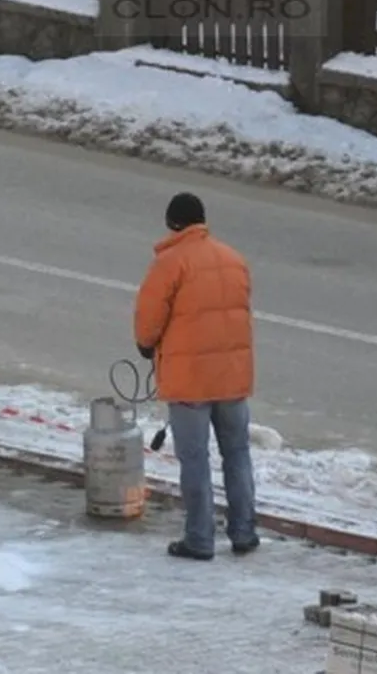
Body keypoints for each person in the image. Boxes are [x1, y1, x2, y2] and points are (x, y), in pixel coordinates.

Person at [134, 192, 257, 561]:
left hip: (190, 380)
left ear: (172, 223)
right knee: (237, 454)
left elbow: (148, 318)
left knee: (195, 459)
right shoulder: (234, 259)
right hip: (232, 376)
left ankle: (200, 539)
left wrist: (145, 344)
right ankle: (244, 532)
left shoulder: (170, 263)